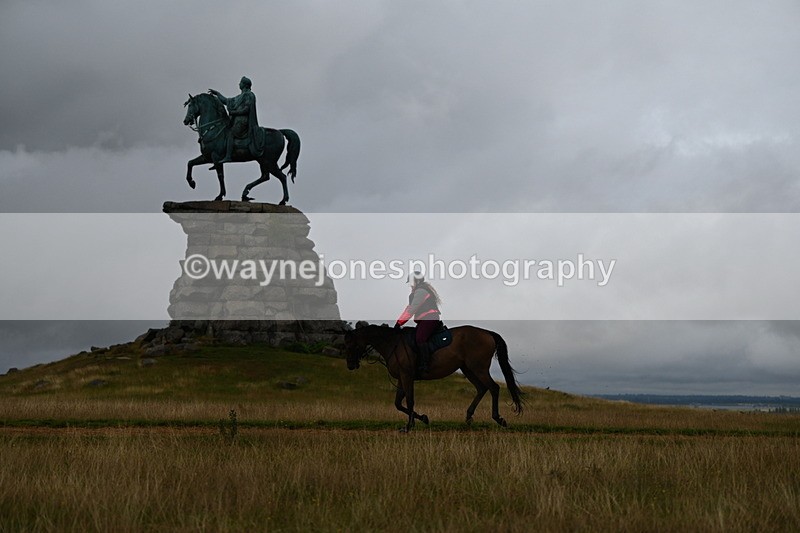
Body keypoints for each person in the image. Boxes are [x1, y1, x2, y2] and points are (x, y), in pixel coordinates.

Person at [207, 76, 266, 168]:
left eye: (240, 82)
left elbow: (246, 109)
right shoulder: (239, 97)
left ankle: (228, 156)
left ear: (245, 85)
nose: (239, 84)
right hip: (237, 120)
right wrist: (217, 94)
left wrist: (234, 112)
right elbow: (227, 101)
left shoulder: (249, 95)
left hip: (243, 121)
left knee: (230, 133)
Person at [394, 271, 443, 373]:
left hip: (429, 318)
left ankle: (425, 364)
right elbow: (409, 308)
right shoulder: (417, 292)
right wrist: (399, 321)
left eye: (411, 282)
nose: (410, 285)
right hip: (424, 319)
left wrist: (399, 323)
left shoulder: (421, 291)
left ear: (416, 281)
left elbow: (412, 309)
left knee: (420, 338)